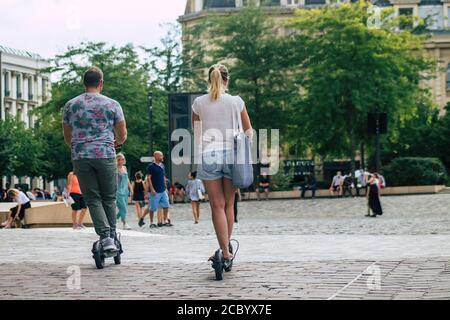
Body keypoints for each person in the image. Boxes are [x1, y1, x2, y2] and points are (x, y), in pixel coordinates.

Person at [192, 63, 253, 268]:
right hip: (232, 155)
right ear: (227, 79)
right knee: (228, 204)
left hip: (209, 155)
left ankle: (225, 253)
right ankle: (226, 250)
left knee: (216, 206)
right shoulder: (236, 102)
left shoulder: (199, 103)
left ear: (209, 80)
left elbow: (197, 133)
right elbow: (248, 130)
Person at [63, 66, 127, 252]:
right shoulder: (112, 104)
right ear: (101, 83)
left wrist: (77, 146)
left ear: (84, 83)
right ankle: (112, 236)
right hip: (105, 154)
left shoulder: (71, 105)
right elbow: (122, 134)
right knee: (109, 197)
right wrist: (115, 143)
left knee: (92, 198)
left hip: (81, 156)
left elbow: (68, 135)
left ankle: (105, 237)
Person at [141, 151, 172, 228]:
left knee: (166, 205)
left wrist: (165, 188)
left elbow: (163, 177)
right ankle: (151, 222)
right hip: (155, 191)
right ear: (156, 156)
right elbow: (148, 178)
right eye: (161, 156)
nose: (162, 157)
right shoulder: (151, 166)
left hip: (163, 190)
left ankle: (164, 221)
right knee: (152, 207)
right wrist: (152, 189)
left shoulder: (162, 165)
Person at [116, 153, 132, 230]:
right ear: (118, 160)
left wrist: (131, 188)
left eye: (124, 159)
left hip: (125, 190)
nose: (124, 160)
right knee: (123, 207)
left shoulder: (124, 168)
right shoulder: (115, 168)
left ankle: (113, 219)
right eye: (122, 159)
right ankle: (125, 223)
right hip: (118, 190)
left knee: (124, 207)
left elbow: (127, 179)